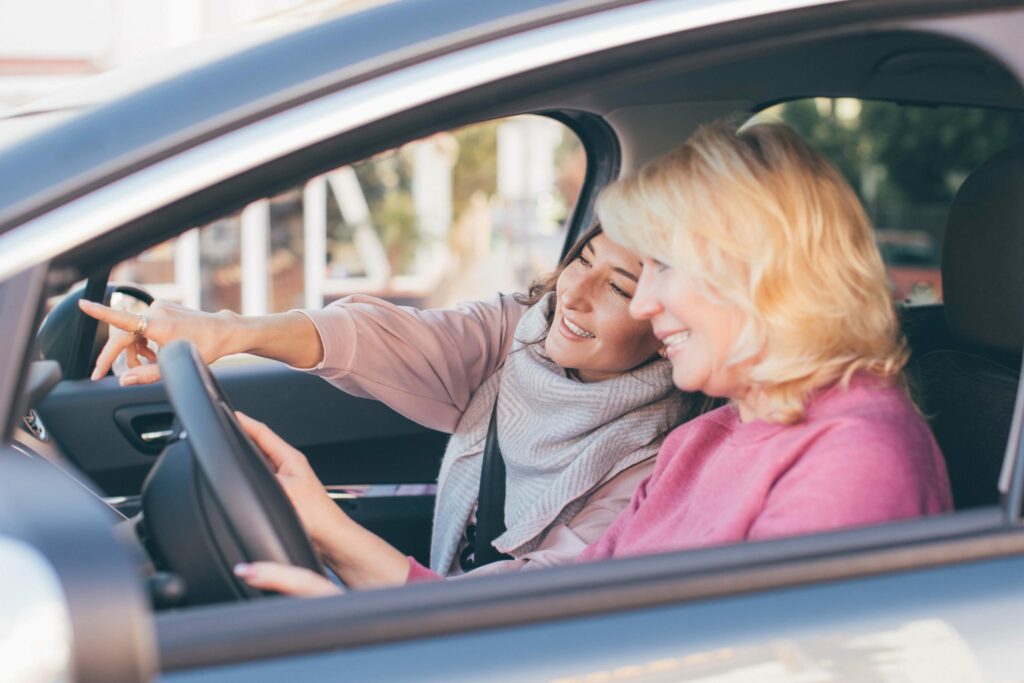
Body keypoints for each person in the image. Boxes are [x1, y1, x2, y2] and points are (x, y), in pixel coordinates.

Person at [399, 119, 953, 584]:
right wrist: (356, 556)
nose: (643, 304)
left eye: (662, 267)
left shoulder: (855, 459)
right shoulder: (704, 439)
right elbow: (565, 606)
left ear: (757, 273)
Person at [80, 226, 710, 590]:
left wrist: (328, 531)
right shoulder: (520, 332)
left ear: (668, 317)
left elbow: (521, 613)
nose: (574, 294)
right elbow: (381, 338)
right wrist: (233, 331)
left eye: (619, 286)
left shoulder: (658, 461)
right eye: (582, 260)